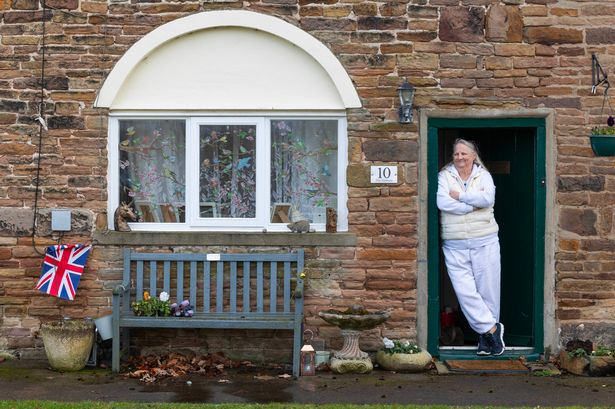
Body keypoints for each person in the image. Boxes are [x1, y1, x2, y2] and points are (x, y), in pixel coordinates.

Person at [436, 138, 505, 356]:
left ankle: (485, 338)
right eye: (456, 154)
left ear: (473, 156)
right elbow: (442, 203)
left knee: (488, 290)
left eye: (464, 154)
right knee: (465, 292)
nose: (460, 158)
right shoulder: (444, 176)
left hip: (484, 239)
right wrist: (471, 206)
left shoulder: (483, 175)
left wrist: (461, 197)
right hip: (454, 242)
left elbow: (488, 198)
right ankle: (492, 328)